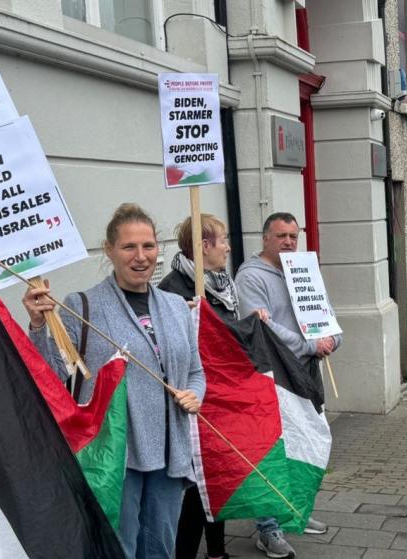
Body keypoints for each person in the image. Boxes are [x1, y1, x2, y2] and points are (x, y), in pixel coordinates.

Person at [23, 203, 205, 559]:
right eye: (129, 247)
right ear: (109, 250)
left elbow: (195, 372)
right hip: (114, 456)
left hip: (170, 453)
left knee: (161, 549)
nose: (141, 256)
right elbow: (52, 377)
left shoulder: (175, 306)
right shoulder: (82, 306)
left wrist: (194, 394)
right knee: (118, 550)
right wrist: (40, 325)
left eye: (148, 246)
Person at [235, 212, 341, 558]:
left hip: (306, 373)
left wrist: (331, 338)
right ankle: (268, 528)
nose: (288, 242)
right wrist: (310, 345)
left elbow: (323, 314)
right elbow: (261, 329)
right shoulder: (250, 277)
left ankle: (295, 511)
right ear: (265, 238)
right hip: (275, 376)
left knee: (306, 443)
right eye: (281, 235)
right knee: (274, 451)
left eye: (293, 236)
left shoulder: (303, 270)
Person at [159, 213, 265, 559]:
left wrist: (250, 323)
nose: (228, 247)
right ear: (204, 246)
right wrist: (185, 315)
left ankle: (217, 553)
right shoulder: (173, 289)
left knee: (217, 480)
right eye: (223, 240)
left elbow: (225, 338)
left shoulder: (222, 284)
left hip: (219, 402)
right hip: (191, 405)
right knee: (195, 490)